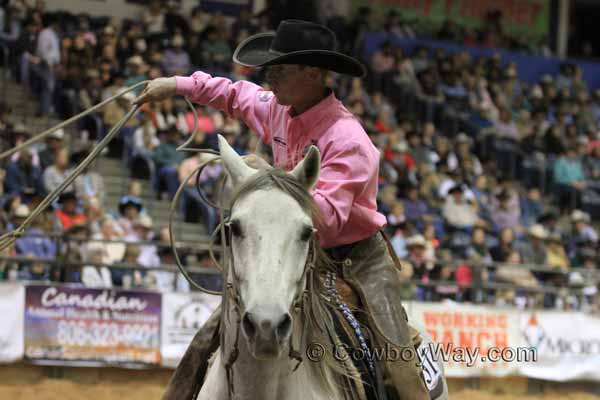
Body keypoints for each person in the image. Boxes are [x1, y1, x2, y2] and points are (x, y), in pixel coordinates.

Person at [135, 19, 430, 400]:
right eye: (269, 70)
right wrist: (176, 85)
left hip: (357, 259)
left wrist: (269, 182)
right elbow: (233, 93)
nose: (269, 78)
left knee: (398, 359)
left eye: (279, 70)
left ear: (313, 73)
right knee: (211, 335)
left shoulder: (348, 140)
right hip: (288, 247)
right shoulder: (278, 108)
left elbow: (323, 219)